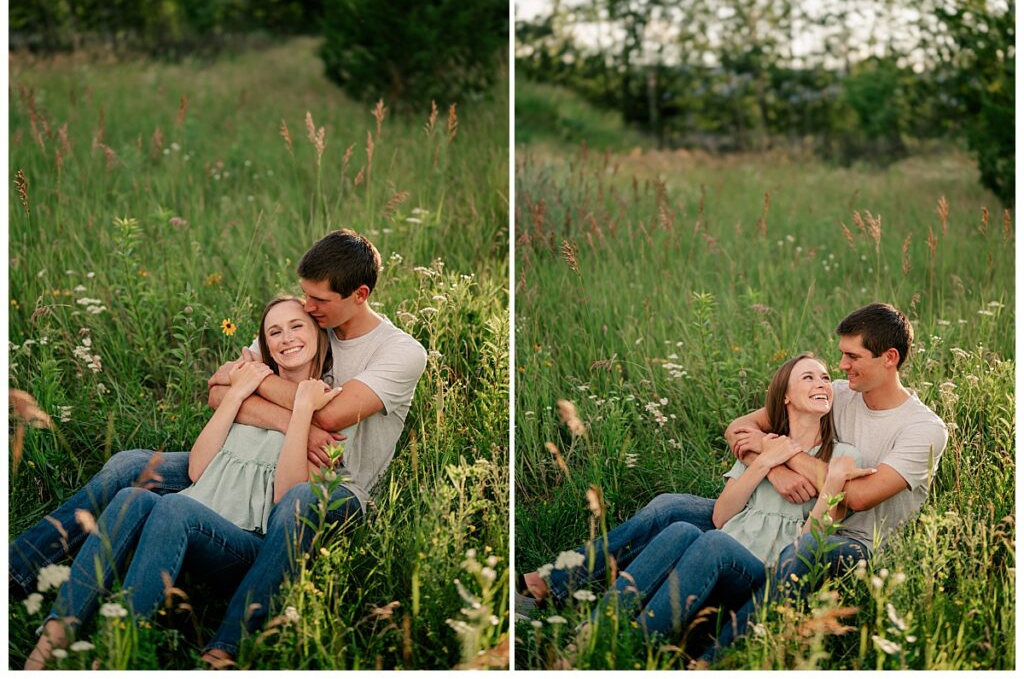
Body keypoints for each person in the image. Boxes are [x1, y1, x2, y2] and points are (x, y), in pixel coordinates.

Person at [11, 229, 428, 667]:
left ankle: (227, 643)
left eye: (318, 301)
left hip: (336, 486)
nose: (307, 307)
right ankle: (21, 569)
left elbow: (328, 416)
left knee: (297, 499)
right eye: (304, 296)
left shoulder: (398, 352)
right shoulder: (296, 326)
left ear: (359, 294)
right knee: (129, 466)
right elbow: (218, 392)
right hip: (246, 462)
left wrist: (259, 387)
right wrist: (280, 406)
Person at [518, 303, 946, 661]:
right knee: (672, 509)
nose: (840, 367)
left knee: (777, 546)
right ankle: (554, 587)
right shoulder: (835, 389)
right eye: (840, 357)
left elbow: (855, 496)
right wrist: (772, 465)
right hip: (776, 509)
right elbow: (741, 428)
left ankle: (716, 658)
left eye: (852, 357)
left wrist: (787, 454)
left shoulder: (921, 428)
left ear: (888, 358)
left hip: (848, 540)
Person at [26, 296, 341, 668]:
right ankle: (54, 636)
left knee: (176, 504)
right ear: (266, 344)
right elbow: (198, 469)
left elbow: (290, 497)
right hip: (191, 520)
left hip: (244, 545)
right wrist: (238, 391)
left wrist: (304, 408)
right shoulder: (250, 391)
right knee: (132, 497)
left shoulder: (328, 406)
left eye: (296, 326)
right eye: (275, 331)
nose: (286, 337)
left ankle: (118, 649)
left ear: (319, 333)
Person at [539, 355, 872, 647]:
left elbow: (814, 539)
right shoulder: (763, 445)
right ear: (785, 395)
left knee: (713, 542)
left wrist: (830, 480)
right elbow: (722, 515)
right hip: (719, 553)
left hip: (763, 573)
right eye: (809, 377)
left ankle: (628, 643)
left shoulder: (843, 457)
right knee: (682, 530)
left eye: (826, 377)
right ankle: (595, 630)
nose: (822, 384)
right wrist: (765, 463)